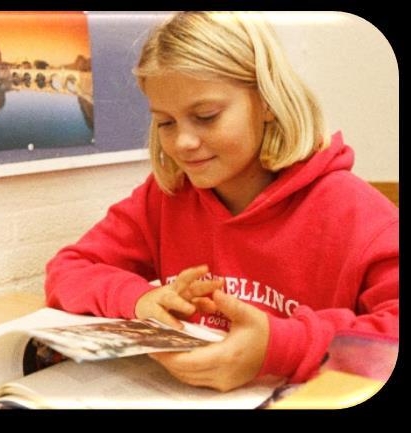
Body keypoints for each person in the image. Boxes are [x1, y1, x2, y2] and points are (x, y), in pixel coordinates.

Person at [44, 11, 398, 392]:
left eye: (206, 116)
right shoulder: (165, 199)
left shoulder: (358, 214)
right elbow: (69, 268)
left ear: (266, 102)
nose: (182, 142)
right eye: (165, 122)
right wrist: (140, 300)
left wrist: (278, 347)